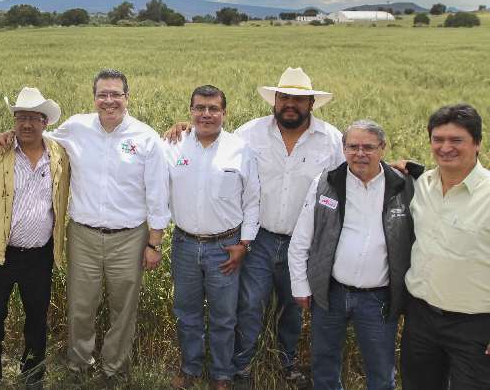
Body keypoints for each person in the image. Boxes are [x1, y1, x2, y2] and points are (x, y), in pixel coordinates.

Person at [166, 68, 343, 384]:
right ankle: (240, 367)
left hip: (303, 243)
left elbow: (349, 178)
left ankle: (284, 362)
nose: (291, 104)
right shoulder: (250, 134)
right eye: (284, 96)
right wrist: (182, 128)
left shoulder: (331, 140)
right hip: (260, 239)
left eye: (299, 99)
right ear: (275, 100)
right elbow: (213, 141)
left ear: (312, 103)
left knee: (292, 308)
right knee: (248, 305)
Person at [0, 68, 170, 381]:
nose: (109, 100)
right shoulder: (76, 127)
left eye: (116, 94)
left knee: (123, 307)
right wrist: (9, 135)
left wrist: (154, 243)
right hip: (83, 235)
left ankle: (115, 367)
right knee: (80, 305)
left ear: (127, 98)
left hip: (130, 237)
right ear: (94, 98)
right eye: (103, 94)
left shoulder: (146, 138)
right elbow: (39, 138)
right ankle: (79, 364)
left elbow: (158, 194)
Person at [289, 120, 415, 390]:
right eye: (353, 146)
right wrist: (300, 286)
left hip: (378, 298)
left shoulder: (402, 186)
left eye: (368, 147)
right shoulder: (327, 182)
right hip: (331, 293)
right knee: (324, 364)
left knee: (381, 370)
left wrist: (416, 167)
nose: (360, 153)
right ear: (343, 149)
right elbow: (302, 237)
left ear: (382, 148)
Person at [0, 87, 70, 389]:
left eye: (34, 118)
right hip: (0, 254)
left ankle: (33, 374)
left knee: (37, 320)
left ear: (45, 122)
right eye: (20, 117)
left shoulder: (60, 155)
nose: (26, 124)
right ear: (13, 121)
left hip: (40, 255)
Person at [163, 85, 260, 390]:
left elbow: (253, 200)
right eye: (200, 108)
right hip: (184, 244)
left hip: (225, 247)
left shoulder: (240, 149)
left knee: (224, 316)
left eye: (213, 108)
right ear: (190, 111)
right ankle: (190, 368)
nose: (206, 114)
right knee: (186, 312)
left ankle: (222, 374)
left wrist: (244, 244)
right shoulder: (172, 145)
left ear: (224, 113)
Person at [401, 104, 490, 389]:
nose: (445, 147)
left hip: (475, 325)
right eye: (438, 140)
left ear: (477, 143)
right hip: (421, 319)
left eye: (456, 140)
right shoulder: (421, 184)